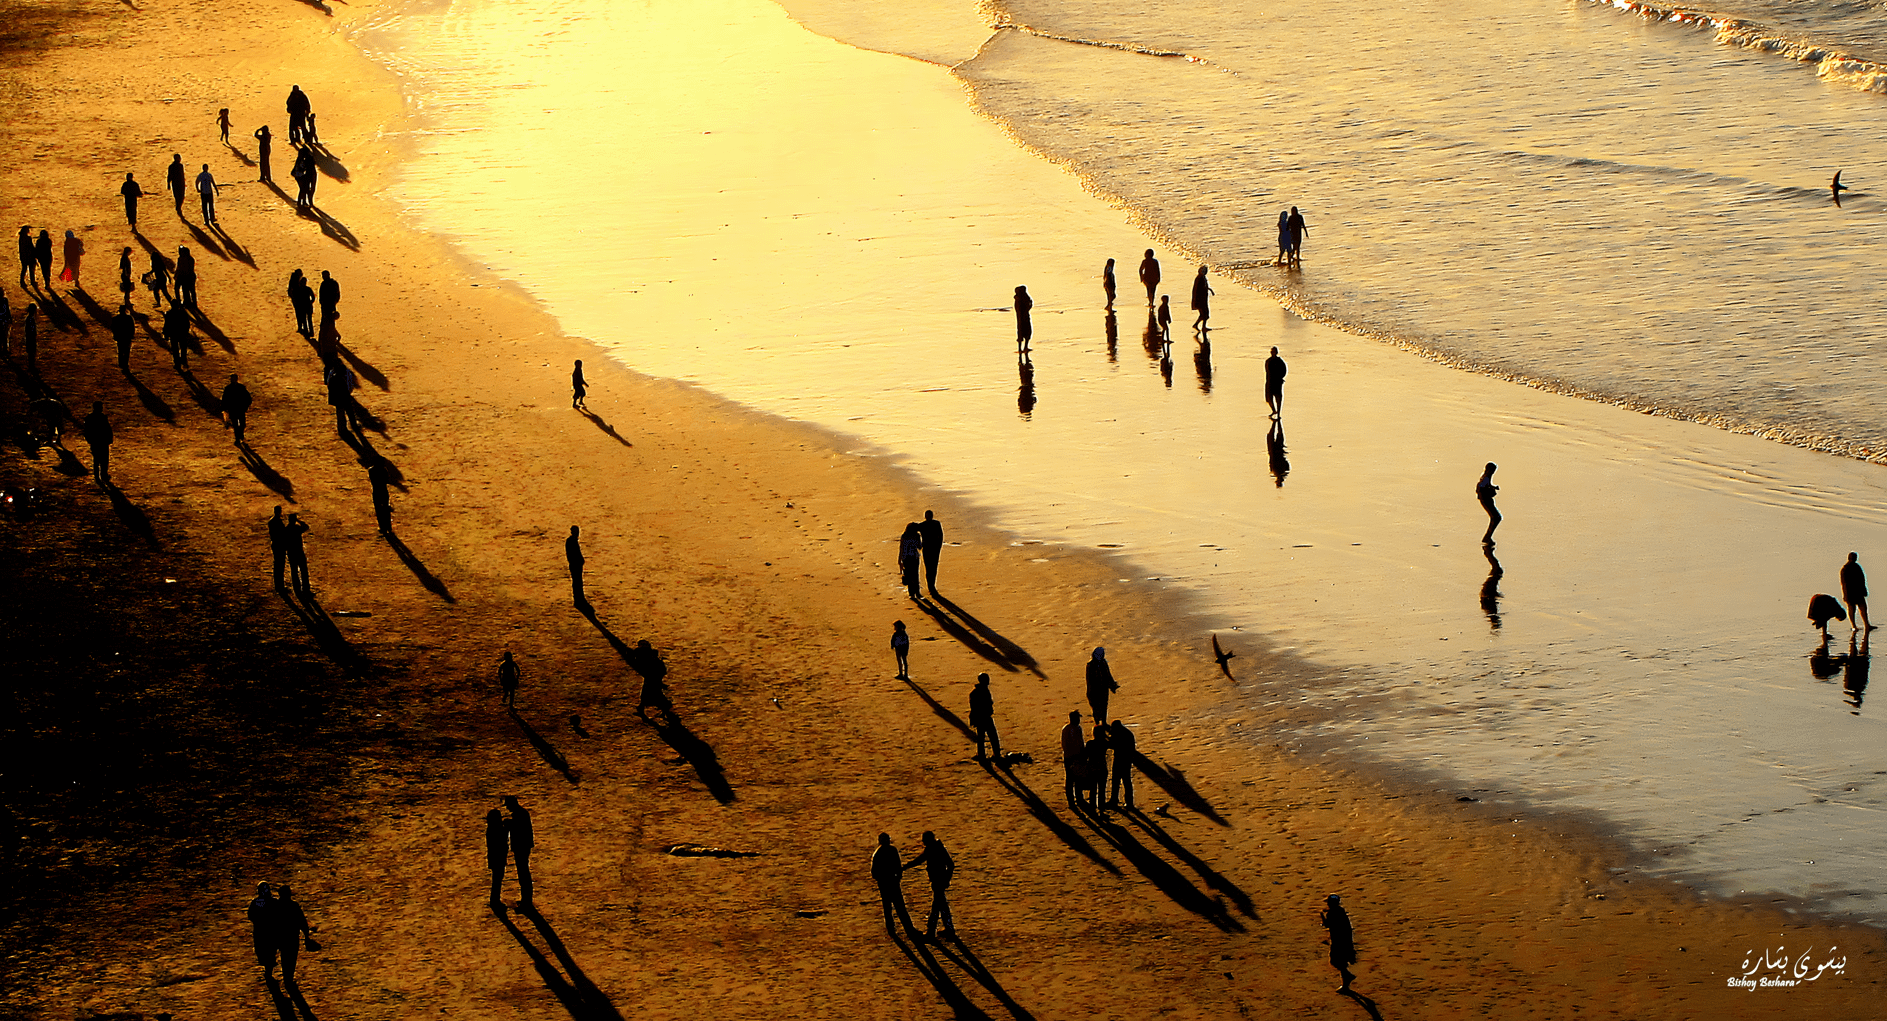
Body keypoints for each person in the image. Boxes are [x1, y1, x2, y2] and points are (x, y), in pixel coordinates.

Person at [903, 831, 956, 942]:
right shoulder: (936, 848)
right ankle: (947, 929)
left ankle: (933, 931)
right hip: (939, 880)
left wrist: (946, 879)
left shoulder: (934, 849)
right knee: (940, 906)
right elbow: (949, 864)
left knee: (937, 906)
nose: (923, 842)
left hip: (938, 881)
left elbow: (920, 860)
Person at [870, 833, 914, 936]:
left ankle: (892, 930)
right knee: (899, 908)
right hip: (891, 884)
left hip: (886, 884)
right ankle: (907, 929)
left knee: (889, 908)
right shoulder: (890, 851)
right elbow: (898, 868)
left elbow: (874, 873)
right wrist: (896, 878)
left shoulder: (879, 853)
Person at [271, 884, 314, 986]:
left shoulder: (276, 906)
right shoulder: (294, 906)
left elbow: (272, 922)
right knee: (292, 958)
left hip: (281, 937)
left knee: (285, 957)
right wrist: (306, 935)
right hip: (293, 937)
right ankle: (289, 978)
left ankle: (287, 978)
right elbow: (302, 921)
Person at [1321, 894, 1357, 992]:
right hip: (1345, 940)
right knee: (1341, 961)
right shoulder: (1341, 911)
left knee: (1337, 961)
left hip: (1338, 941)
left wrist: (1322, 917)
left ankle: (1346, 982)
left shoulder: (1331, 914)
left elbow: (1327, 925)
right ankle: (1346, 982)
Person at [504, 795, 534, 907]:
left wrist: (509, 824)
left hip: (521, 847)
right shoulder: (522, 813)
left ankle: (526, 902)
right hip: (524, 846)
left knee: (523, 874)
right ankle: (526, 900)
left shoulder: (519, 814)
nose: (507, 808)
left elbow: (518, 829)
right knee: (524, 873)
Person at [246, 882, 278, 979]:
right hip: (266, 931)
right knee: (264, 950)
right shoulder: (273, 902)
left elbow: (250, 915)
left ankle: (268, 969)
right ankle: (268, 968)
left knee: (267, 950)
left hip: (265, 931)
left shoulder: (256, 902)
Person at [630, 640, 669, 715]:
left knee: (652, 692)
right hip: (653, 674)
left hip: (652, 674)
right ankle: (641, 708)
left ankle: (664, 707)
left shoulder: (639, 652)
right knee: (652, 692)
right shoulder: (651, 653)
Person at [968, 673, 1000, 762]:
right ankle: (996, 754)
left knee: (981, 737)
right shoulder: (985, 691)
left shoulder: (975, 692)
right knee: (993, 737)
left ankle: (981, 755)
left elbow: (973, 707)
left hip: (979, 718)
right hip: (985, 717)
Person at [81, 402, 112, 487]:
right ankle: (104, 475)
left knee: (96, 459)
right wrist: (109, 439)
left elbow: (86, 431)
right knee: (104, 460)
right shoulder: (102, 417)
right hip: (103, 441)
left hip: (95, 442)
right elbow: (107, 429)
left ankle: (97, 477)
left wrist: (89, 440)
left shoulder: (89, 418)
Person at [1108, 719, 1136, 809]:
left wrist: (1107, 738)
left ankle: (1114, 800)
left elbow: (1112, 745)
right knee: (1126, 781)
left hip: (1120, 759)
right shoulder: (1127, 733)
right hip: (1127, 760)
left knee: (1116, 781)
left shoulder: (1118, 734)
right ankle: (1129, 802)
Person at [1085, 646, 1117, 724]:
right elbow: (1090, 681)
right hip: (1095, 691)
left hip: (1102, 690)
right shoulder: (1090, 666)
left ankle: (1103, 722)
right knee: (1096, 707)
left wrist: (1112, 685)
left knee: (1103, 707)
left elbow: (1108, 675)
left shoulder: (1103, 663)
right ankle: (1098, 723)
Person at [1059, 710, 1085, 806]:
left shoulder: (1074, 728)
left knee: (1076, 779)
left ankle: (1077, 799)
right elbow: (1068, 745)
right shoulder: (1070, 729)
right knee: (1072, 779)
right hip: (1072, 757)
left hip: (1073, 756)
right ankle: (1073, 800)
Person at [1842, 552, 1873, 632]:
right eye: (1853, 557)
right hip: (1850, 592)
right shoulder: (1845, 569)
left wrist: (1864, 589)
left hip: (1858, 591)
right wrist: (1845, 595)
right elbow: (1844, 583)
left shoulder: (1857, 567)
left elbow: (1862, 579)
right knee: (1852, 609)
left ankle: (1867, 624)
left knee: (1863, 607)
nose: (1854, 559)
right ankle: (1854, 626)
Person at [485, 808, 509, 910]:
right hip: (498, 858)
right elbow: (502, 839)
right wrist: (506, 829)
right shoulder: (496, 830)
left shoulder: (491, 829)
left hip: (495, 858)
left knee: (497, 880)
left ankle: (495, 900)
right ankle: (495, 901)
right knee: (497, 880)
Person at [1084, 722, 1110, 811]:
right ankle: (1101, 809)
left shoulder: (1090, 744)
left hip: (1092, 768)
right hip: (1102, 767)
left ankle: (1092, 808)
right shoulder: (1104, 743)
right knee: (1102, 790)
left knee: (1093, 790)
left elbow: (1085, 756)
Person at [917, 510, 944, 595]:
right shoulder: (922, 525)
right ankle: (931, 587)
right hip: (928, 549)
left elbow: (941, 536)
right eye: (927, 515)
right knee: (929, 568)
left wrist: (939, 547)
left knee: (933, 568)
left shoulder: (935, 524)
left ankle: (932, 586)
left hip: (934, 549)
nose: (928, 517)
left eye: (929, 515)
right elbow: (912, 528)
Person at [221, 373, 252, 443]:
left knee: (242, 424)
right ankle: (238, 438)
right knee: (236, 425)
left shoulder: (237, 388)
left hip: (240, 409)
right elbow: (224, 399)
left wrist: (246, 406)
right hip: (234, 410)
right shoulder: (233, 388)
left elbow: (248, 398)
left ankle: (240, 436)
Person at [1476, 462, 1501, 546]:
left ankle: (1488, 537)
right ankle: (1487, 537)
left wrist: (1493, 487)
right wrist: (1489, 490)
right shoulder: (1486, 477)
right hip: (1486, 500)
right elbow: (1481, 486)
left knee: (1496, 518)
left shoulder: (1485, 477)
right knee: (1496, 517)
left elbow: (1485, 485)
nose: (1493, 472)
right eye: (1493, 470)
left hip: (1486, 500)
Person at [286, 512, 311, 594]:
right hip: (299, 552)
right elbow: (306, 527)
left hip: (291, 553)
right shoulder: (297, 528)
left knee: (294, 571)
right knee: (304, 571)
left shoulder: (286, 529)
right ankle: (306, 589)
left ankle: (297, 589)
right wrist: (299, 521)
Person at [367, 456, 393, 533]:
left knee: (378, 509)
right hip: (383, 491)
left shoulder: (371, 470)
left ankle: (382, 527)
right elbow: (387, 480)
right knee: (386, 508)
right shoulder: (384, 470)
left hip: (376, 491)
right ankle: (388, 527)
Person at [164, 303, 193, 371]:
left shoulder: (169, 313)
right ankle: (183, 360)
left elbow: (166, 325)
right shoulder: (182, 313)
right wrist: (186, 332)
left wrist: (166, 334)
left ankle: (177, 363)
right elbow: (187, 323)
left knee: (175, 349)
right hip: (182, 333)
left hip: (173, 334)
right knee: (183, 348)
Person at [267, 506, 289, 591]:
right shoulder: (278, 522)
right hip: (280, 544)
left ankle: (278, 585)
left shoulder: (271, 521)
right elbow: (283, 533)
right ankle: (280, 586)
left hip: (275, 544)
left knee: (277, 565)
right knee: (280, 565)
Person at [288, 269, 315, 335]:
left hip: (301, 303)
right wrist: (311, 302)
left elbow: (290, 291)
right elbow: (313, 297)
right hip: (302, 303)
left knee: (303, 317)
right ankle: (309, 331)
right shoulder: (303, 287)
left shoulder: (296, 283)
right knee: (307, 319)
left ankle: (304, 330)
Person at [1264, 346, 1287, 416]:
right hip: (1270, 382)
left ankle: (1279, 413)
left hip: (1277, 382)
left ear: (1276, 352)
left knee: (1278, 398)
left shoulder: (1280, 361)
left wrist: (1281, 378)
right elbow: (1267, 371)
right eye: (1272, 351)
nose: (1273, 353)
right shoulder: (1268, 361)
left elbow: (1284, 370)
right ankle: (1274, 410)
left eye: (1274, 351)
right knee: (1268, 398)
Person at [565, 525, 585, 604]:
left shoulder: (571, 540)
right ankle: (578, 597)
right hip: (575, 564)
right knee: (577, 581)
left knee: (577, 581)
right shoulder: (571, 541)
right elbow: (573, 554)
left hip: (576, 564)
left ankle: (578, 597)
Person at [1189, 265, 1213, 330]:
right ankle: (1202, 326)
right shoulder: (1199, 278)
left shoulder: (1202, 278)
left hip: (1203, 299)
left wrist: (1210, 290)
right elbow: (1197, 290)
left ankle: (1197, 324)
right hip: (1200, 300)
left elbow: (1204, 287)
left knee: (1204, 314)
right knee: (1205, 314)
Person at [1013, 285, 1033, 352]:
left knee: (1021, 332)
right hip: (1024, 318)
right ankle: (1025, 347)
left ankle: (1021, 348)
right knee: (1027, 332)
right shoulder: (1022, 298)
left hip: (1020, 318)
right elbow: (1028, 305)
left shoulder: (1017, 299)